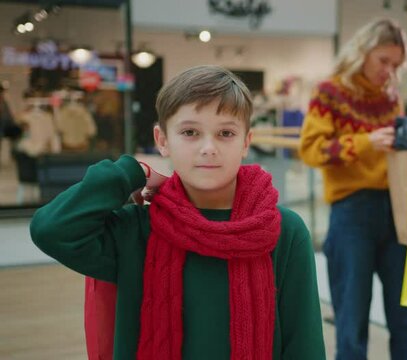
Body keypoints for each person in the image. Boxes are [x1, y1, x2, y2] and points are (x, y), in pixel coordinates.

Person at [31, 65, 325, 359]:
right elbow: (51, 229)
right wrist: (131, 172)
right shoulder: (136, 230)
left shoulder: (283, 230)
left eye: (225, 133)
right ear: (162, 140)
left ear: (246, 142)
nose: (208, 148)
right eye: (190, 132)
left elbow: (305, 344)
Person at [299, 18, 407, 360]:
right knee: (351, 321)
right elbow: (311, 149)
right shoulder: (330, 92)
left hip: (397, 209)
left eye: (396, 65)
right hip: (351, 210)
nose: (389, 71)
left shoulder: (391, 97)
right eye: (383, 61)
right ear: (363, 51)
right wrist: (366, 142)